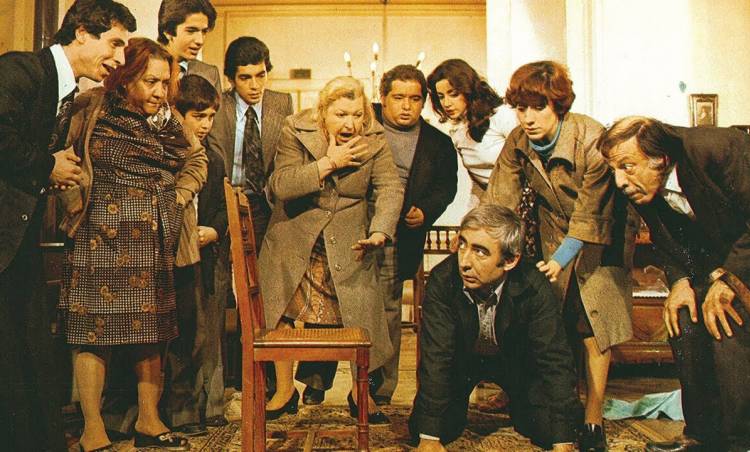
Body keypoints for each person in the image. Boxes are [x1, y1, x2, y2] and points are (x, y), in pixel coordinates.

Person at [57, 37, 207, 452]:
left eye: (165, 82)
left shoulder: (167, 119)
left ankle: (148, 420)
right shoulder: (91, 106)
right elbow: (62, 154)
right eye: (150, 82)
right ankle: (92, 430)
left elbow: (197, 160)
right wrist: (75, 205)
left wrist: (179, 196)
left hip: (153, 239)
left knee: (152, 330)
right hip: (98, 238)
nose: (160, 91)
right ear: (125, 79)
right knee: (93, 333)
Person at [0, 1, 135, 450]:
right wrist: (47, 167)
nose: (119, 58)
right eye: (114, 43)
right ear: (80, 33)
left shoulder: (66, 90)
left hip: (18, 240)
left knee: (25, 354)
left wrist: (50, 178)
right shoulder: (20, 70)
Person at [483, 60, 634, 452]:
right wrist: (481, 243)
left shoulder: (592, 139)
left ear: (559, 106)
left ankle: (593, 419)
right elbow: (499, 198)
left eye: (539, 107)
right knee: (557, 325)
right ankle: (562, 409)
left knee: (593, 324)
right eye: (521, 108)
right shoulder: (518, 141)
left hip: (604, 235)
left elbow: (590, 213)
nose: (528, 118)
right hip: (554, 234)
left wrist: (560, 259)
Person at [297, 65, 458, 407]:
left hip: (396, 235)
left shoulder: (438, 143)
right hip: (341, 229)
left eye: (415, 99)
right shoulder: (359, 121)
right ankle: (315, 381)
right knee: (327, 302)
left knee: (385, 311)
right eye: (398, 97)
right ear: (382, 98)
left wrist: (426, 210)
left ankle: (375, 388)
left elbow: (446, 187)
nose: (406, 106)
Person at [598, 116, 750, 452]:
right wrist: (680, 281)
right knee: (684, 317)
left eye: (627, 166)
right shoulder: (642, 185)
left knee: (727, 318)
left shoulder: (717, 149)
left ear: (661, 158)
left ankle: (741, 441)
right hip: (720, 267)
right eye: (614, 170)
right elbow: (667, 237)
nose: (620, 181)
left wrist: (729, 278)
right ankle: (702, 435)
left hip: (744, 260)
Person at [258, 76, 404, 423]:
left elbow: (390, 188)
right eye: (341, 115)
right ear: (323, 113)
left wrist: (380, 229)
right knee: (283, 312)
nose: (350, 123)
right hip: (295, 237)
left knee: (361, 314)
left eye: (357, 114)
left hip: (349, 241)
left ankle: (360, 392)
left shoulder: (374, 138)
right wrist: (328, 163)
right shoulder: (295, 129)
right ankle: (284, 391)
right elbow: (281, 185)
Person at [409, 204, 580, 452]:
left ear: (510, 260)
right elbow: (436, 357)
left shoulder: (534, 286)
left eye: (480, 252)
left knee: (547, 430)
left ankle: (521, 406)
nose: (464, 262)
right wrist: (429, 437)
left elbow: (555, 360)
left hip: (516, 364)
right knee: (428, 428)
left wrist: (562, 441)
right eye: (463, 245)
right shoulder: (442, 280)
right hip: (462, 364)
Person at [205, 35, 293, 394]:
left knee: (266, 291)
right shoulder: (220, 107)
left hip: (267, 205)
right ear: (231, 79)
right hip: (225, 201)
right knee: (225, 290)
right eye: (245, 78)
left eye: (261, 75)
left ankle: (268, 378)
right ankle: (228, 376)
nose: (255, 85)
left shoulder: (281, 104)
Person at [161, 74, 228, 435]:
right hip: (166, 254)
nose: (205, 125)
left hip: (201, 256)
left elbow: (221, 208)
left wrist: (213, 230)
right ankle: (164, 409)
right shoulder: (165, 155)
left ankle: (189, 408)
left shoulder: (213, 158)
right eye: (198, 116)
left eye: (211, 117)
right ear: (177, 113)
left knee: (195, 334)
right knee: (170, 336)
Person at [427, 58, 516, 207]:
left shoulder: (501, 115)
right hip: (492, 204)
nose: (446, 103)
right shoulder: (456, 131)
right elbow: (475, 183)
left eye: (453, 94)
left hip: (521, 200)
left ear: (468, 90)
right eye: (441, 97)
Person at [157, 0, 221, 94]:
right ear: (168, 32)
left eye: (204, 32)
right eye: (191, 31)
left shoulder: (209, 74)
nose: (200, 41)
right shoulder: (144, 66)